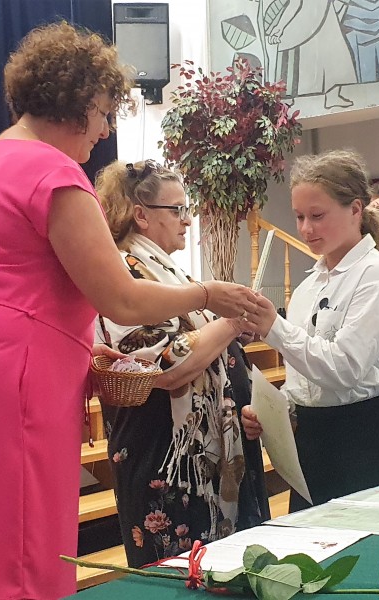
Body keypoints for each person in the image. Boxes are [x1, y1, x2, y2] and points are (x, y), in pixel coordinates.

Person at [0, 23, 258, 600]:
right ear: (77, 102)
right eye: (104, 113)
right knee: (23, 568)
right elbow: (120, 298)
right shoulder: (51, 172)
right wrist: (208, 295)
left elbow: (14, 289)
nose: (105, 130)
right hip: (13, 381)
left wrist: (76, 344)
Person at [94, 159, 270, 567]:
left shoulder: (168, 272)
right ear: (141, 215)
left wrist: (233, 337)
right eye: (177, 210)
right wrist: (231, 321)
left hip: (200, 458)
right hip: (164, 458)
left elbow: (200, 346)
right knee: (178, 578)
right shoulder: (124, 272)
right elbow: (163, 365)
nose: (188, 221)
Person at [240, 150, 379, 513]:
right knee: (312, 549)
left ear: (355, 209)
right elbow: (305, 379)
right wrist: (275, 410)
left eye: (317, 216)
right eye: (299, 217)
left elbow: (344, 369)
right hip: (314, 444)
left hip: (367, 441)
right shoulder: (308, 287)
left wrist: (274, 327)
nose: (306, 229)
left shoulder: (377, 278)